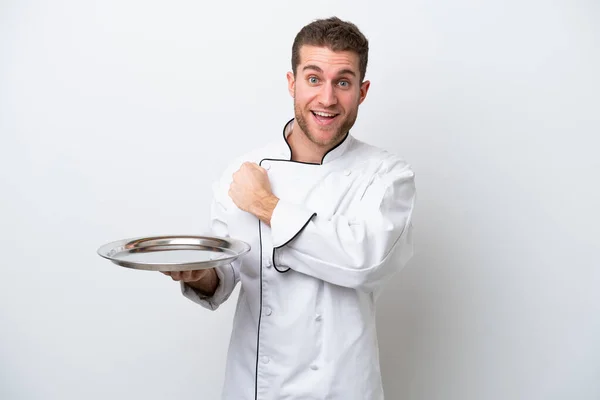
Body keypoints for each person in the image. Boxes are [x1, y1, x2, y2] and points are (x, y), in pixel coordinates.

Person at [162, 16, 416, 400]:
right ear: (291, 83)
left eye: (342, 82)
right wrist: (200, 275)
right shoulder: (244, 172)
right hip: (255, 386)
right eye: (314, 79)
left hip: (341, 386)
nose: (327, 99)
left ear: (362, 92)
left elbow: (364, 262)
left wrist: (265, 205)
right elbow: (226, 275)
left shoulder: (385, 176)